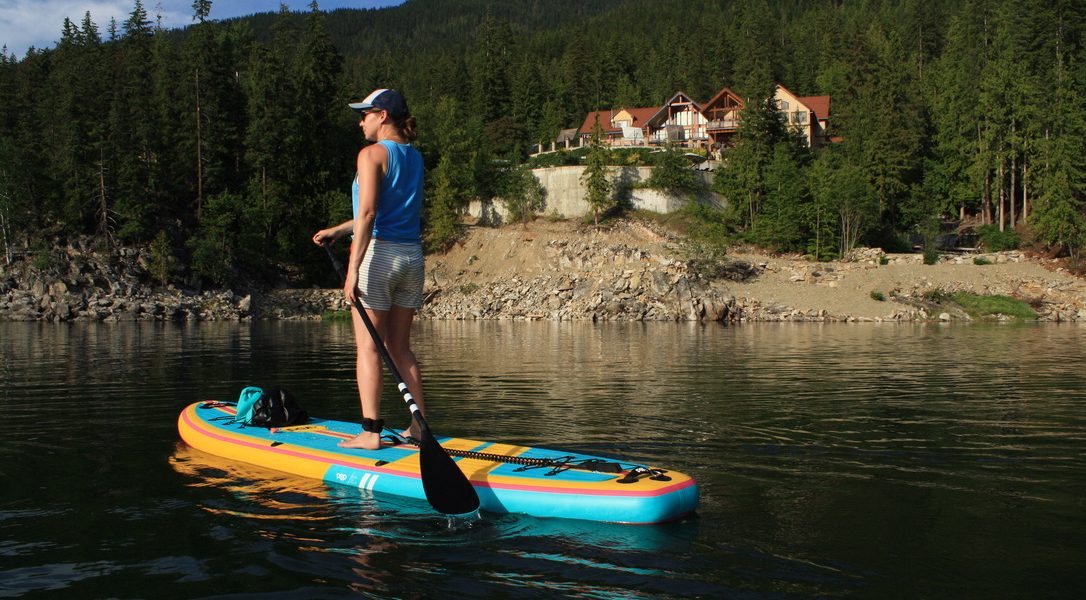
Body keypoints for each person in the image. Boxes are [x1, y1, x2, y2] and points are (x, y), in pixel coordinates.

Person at [312, 89, 426, 450]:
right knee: (400, 348)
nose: (360, 122)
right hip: (411, 258)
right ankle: (419, 428)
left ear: (382, 116)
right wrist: (336, 230)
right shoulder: (414, 157)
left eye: (364, 115)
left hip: (378, 260)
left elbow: (369, 214)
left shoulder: (370, 154)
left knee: (368, 348)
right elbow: (382, 213)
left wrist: (351, 270)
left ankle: (371, 432)